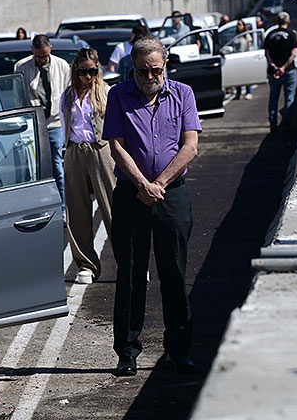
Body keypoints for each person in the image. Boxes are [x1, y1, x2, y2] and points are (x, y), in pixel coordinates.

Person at [103, 36, 201, 376]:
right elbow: (116, 146)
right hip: (132, 194)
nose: (148, 77)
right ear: (133, 69)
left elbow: (190, 146)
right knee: (130, 273)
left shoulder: (183, 94)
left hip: (170, 194)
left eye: (154, 70)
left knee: (173, 272)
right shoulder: (118, 95)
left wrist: (158, 184)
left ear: (165, 67)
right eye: (142, 71)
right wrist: (143, 185)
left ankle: (178, 349)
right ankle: (127, 351)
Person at [60, 48, 116, 284]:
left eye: (92, 71)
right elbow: (64, 125)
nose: (88, 77)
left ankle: (129, 261)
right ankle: (86, 264)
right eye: (83, 71)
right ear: (76, 69)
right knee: (77, 211)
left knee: (114, 206)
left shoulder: (106, 92)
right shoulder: (67, 95)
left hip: (101, 149)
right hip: (75, 150)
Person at [14, 35, 70, 212]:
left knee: (57, 167)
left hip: (55, 123)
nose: (42, 60)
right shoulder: (21, 67)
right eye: (39, 57)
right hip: (32, 124)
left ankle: (61, 207)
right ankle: (35, 206)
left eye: (45, 56)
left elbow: (68, 94)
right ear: (32, 51)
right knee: (32, 168)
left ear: (51, 49)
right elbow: (18, 97)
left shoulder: (62, 66)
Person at [264, 11, 297, 133]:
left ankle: (273, 125)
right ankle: (287, 124)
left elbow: (267, 53)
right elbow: (293, 53)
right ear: (288, 22)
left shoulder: (270, 34)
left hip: (273, 72)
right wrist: (284, 67)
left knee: (273, 98)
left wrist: (273, 66)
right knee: (289, 98)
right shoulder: (291, 34)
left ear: (277, 22)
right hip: (288, 71)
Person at [233, 19, 254, 100]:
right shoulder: (236, 36)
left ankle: (249, 92)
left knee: (246, 76)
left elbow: (249, 47)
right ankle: (239, 93)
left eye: (240, 24)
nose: (239, 26)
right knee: (238, 77)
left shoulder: (247, 35)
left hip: (244, 57)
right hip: (237, 58)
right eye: (238, 25)